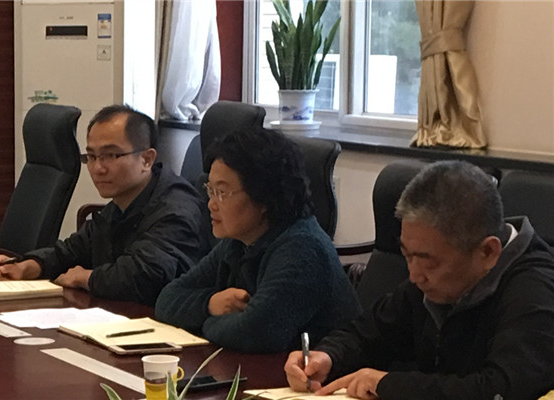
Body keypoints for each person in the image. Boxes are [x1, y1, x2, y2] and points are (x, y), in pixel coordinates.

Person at [284, 160, 554, 400]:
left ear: (487, 252)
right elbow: (367, 334)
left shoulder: (533, 290)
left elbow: (502, 390)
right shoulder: (429, 280)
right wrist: (328, 356)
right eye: (407, 255)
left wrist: (388, 384)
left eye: (429, 261)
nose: (414, 275)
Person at [155, 126, 361, 353]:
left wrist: (205, 322)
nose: (211, 204)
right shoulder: (238, 241)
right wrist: (210, 304)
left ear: (264, 197)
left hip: (320, 373)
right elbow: (166, 300)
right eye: (210, 190)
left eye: (222, 193)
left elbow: (255, 333)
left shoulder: (303, 248)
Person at [0, 104, 205, 307]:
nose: (97, 168)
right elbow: (74, 250)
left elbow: (145, 275)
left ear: (147, 160)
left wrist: (87, 277)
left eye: (110, 156)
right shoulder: (121, 203)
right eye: (91, 156)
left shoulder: (176, 209)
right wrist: (32, 265)